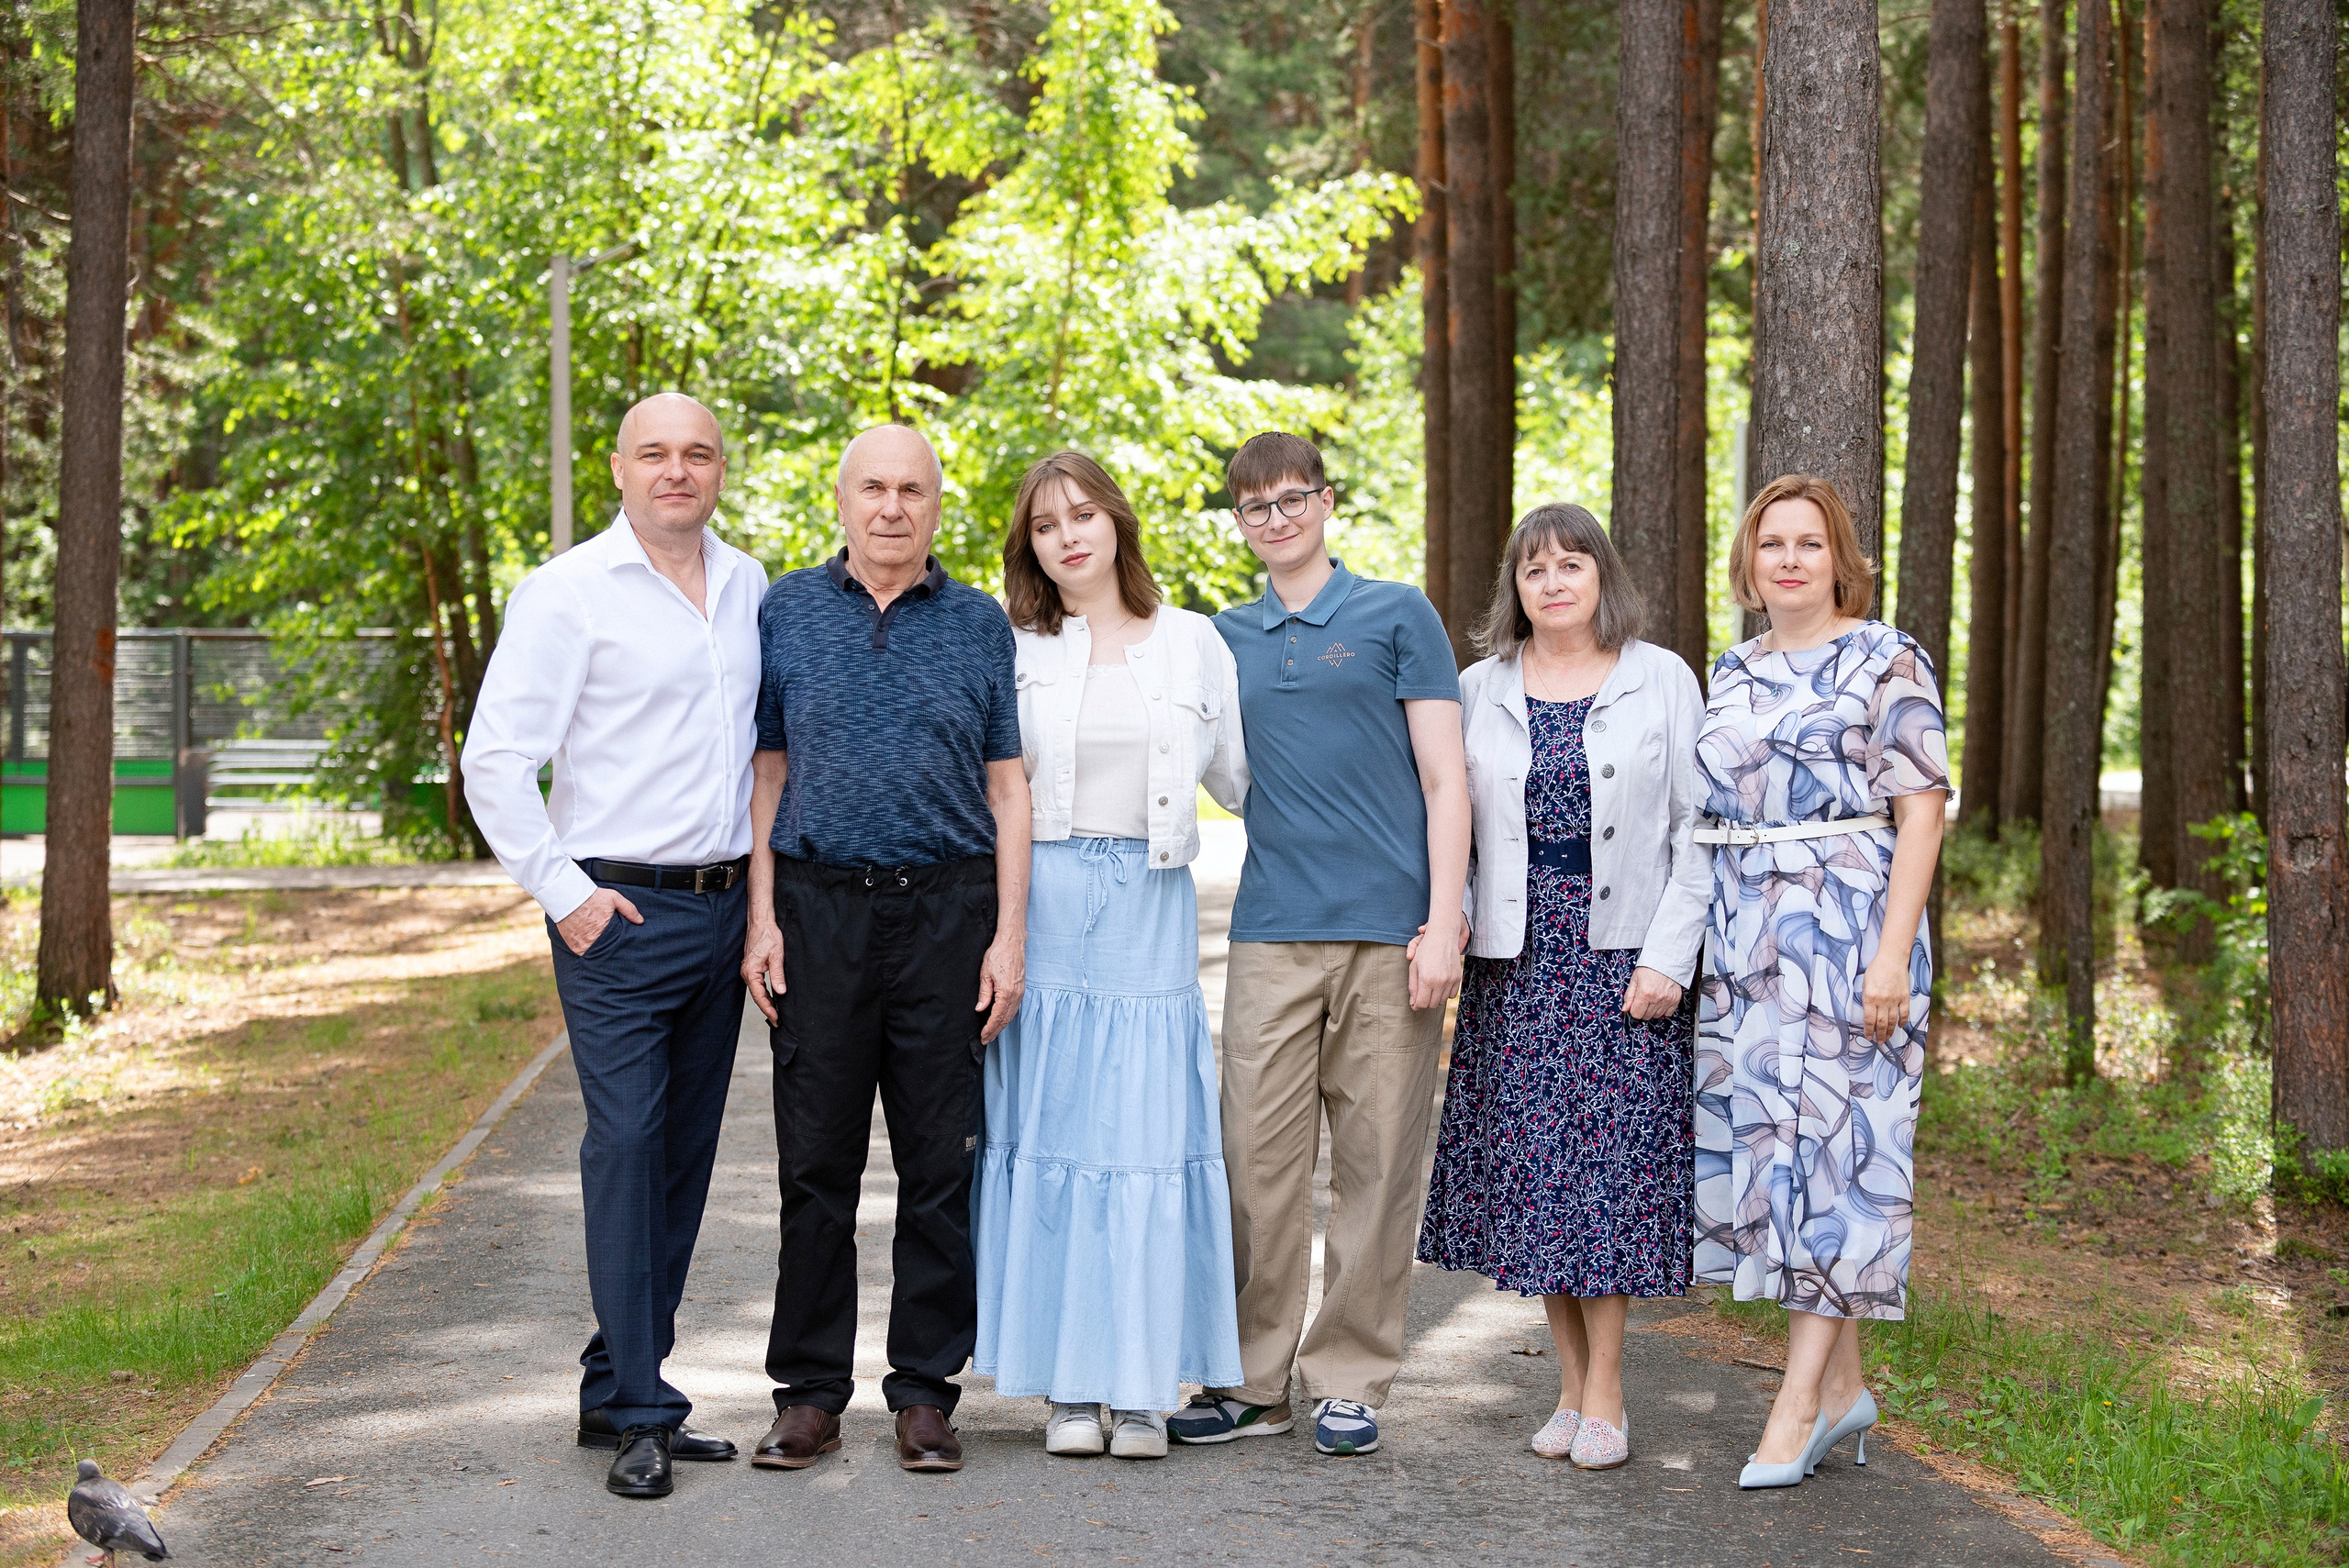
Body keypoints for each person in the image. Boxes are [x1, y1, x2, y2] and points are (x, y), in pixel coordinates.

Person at [462, 393, 763, 1500]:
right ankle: (642, 1411)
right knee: (626, 1144)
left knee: (681, 1159)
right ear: (619, 468)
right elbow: (494, 760)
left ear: (719, 467)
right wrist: (565, 893)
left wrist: (760, 908)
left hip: (725, 908)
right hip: (617, 918)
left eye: (696, 453)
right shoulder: (567, 592)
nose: (676, 471)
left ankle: (613, 1379)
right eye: (655, 454)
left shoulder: (748, 587)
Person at [1166, 431, 1469, 1460]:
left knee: (1380, 1160)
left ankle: (1348, 1375)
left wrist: (1444, 920)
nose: (1277, 518)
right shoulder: (1221, 636)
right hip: (1271, 929)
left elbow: (1444, 779)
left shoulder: (1395, 614)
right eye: (1256, 506)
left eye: (1294, 498)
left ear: (1327, 503)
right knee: (1253, 1159)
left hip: (1391, 934)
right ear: (1239, 521)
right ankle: (1252, 1380)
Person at [740, 424, 1030, 1477]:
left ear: (937, 506)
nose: (892, 506)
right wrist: (761, 917)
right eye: (873, 487)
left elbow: (1008, 788)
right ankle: (809, 1392)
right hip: (818, 911)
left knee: (935, 1166)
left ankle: (922, 1392)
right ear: (842, 500)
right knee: (814, 1163)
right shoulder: (786, 611)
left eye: (912, 489)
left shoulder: (977, 623)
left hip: (948, 913)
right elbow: (766, 773)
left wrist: (1009, 934)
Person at [1417, 504, 1709, 1471]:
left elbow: (1694, 831)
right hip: (1519, 960)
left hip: (1622, 955)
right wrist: (1449, 917)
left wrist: (1669, 955)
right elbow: (1450, 821)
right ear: (1515, 586)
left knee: (1605, 1180)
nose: (1552, 582)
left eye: (1570, 563)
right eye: (1533, 568)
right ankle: (1566, 1387)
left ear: (1600, 577)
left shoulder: (1659, 676)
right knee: (1537, 1181)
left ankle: (1609, 1391)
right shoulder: (1477, 685)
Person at [973, 451, 1251, 1462]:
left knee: (1137, 1145)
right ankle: (1068, 1388)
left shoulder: (1194, 644)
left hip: (1148, 900)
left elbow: (1247, 779)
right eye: (1046, 526)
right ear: (1030, 546)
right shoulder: (1008, 645)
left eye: (1083, 514)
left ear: (1117, 522)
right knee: (1053, 1139)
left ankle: (1141, 1384)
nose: (1068, 536)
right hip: (1039, 903)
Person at [1688, 473, 1949, 1490]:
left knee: (1839, 1155)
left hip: (1848, 927)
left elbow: (1920, 810)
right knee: (1775, 1162)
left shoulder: (1886, 656)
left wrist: (1892, 951)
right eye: (1770, 544)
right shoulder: (1730, 668)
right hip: (1747, 939)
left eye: (1808, 543)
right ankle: (1843, 1391)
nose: (1789, 559)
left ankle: (1795, 1405)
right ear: (1748, 564)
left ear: (1840, 557)